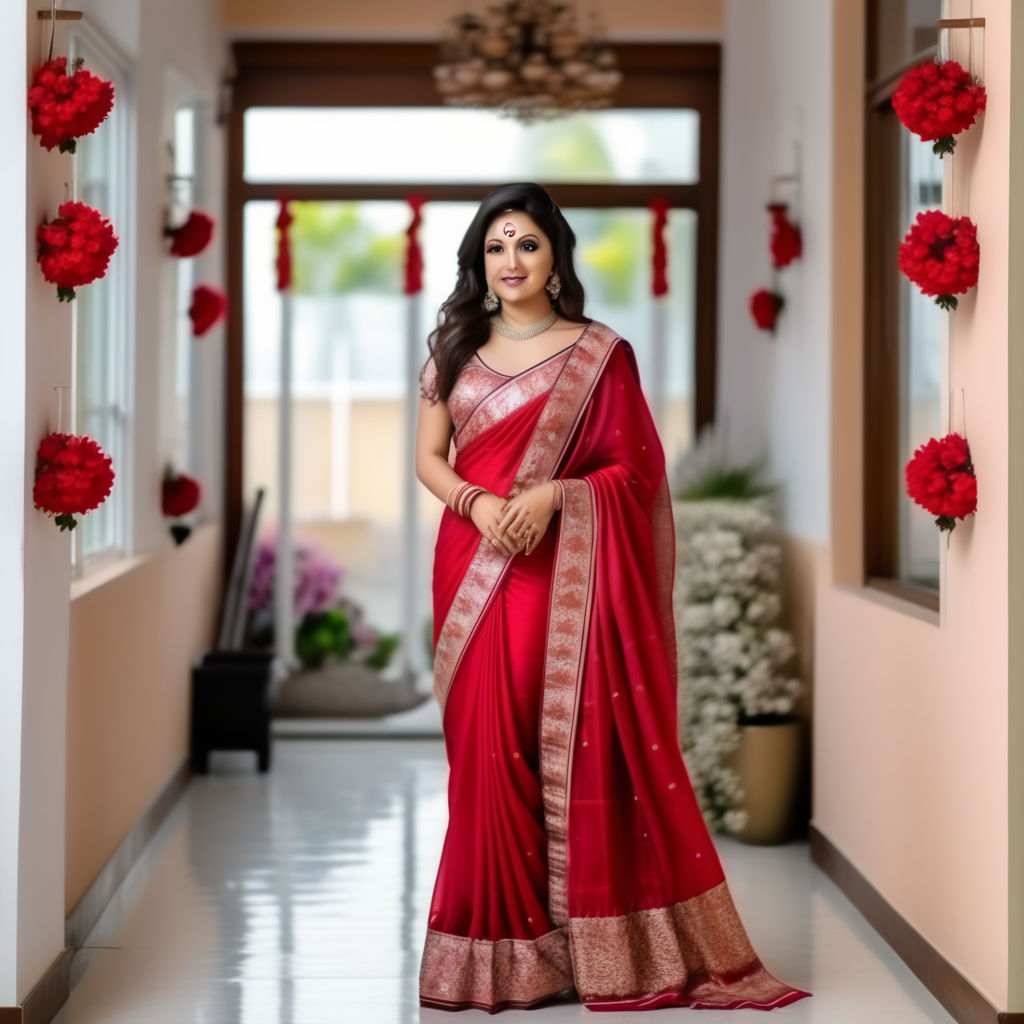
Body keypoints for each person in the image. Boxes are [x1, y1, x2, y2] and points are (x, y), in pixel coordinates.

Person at [414, 182, 809, 1013]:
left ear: (555, 253)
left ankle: (582, 946)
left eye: (526, 244)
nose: (511, 261)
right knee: (486, 751)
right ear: (478, 263)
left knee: (554, 739)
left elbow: (633, 473)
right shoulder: (454, 349)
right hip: (474, 561)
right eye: (495, 247)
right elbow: (429, 457)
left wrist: (557, 498)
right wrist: (481, 504)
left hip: (565, 574)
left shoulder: (599, 353)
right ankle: (502, 955)